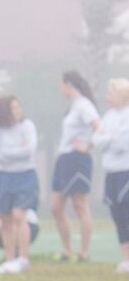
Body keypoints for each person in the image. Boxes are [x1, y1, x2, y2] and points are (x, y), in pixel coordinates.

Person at [0, 96, 39, 275]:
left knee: (19, 215)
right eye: (13, 108)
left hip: (25, 175)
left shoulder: (27, 126)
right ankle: (9, 259)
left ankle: (23, 258)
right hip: (4, 176)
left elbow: (29, 150)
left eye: (18, 107)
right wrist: (17, 151)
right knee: (5, 218)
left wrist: (8, 153)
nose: (17, 111)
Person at [48, 71, 100, 261]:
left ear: (69, 84)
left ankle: (84, 253)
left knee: (79, 204)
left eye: (62, 85)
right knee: (56, 206)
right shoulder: (72, 106)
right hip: (64, 158)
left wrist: (88, 145)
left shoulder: (84, 105)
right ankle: (66, 250)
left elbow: (98, 126)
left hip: (78, 159)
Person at [96, 78, 129, 275]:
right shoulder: (107, 116)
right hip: (111, 171)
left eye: (111, 94)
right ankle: (125, 258)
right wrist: (110, 138)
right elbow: (97, 141)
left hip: (126, 170)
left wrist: (108, 139)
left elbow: (124, 143)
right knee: (117, 214)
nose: (107, 98)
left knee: (127, 212)